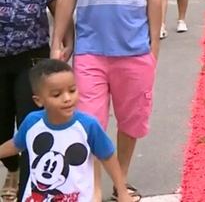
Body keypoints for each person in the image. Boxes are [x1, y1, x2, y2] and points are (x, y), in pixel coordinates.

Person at [51, 0, 162, 202]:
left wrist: (154, 44)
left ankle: (120, 180)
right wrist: (58, 40)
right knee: (89, 125)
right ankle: (93, 189)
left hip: (134, 51)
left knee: (131, 122)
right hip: (90, 51)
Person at [0, 0, 71, 201]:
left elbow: (62, 15)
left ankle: (29, 188)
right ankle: (13, 168)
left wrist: (65, 48)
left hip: (33, 63)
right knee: (1, 126)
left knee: (31, 124)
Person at [0, 60, 132, 202]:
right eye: (57, 94)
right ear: (38, 101)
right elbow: (16, 144)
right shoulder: (32, 122)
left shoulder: (88, 125)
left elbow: (108, 157)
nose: (67, 98)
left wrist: (122, 192)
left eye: (72, 90)